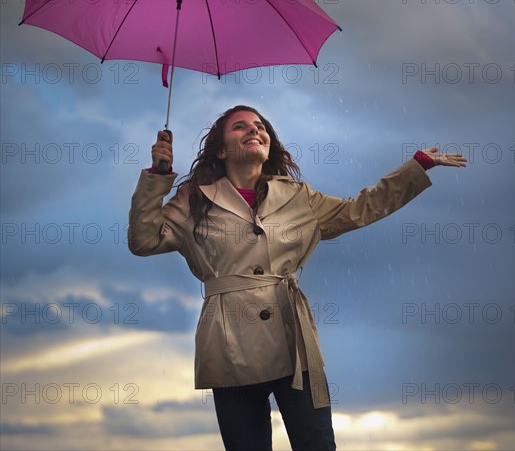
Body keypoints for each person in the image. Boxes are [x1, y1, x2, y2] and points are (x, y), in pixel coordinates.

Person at [128, 105, 467, 451]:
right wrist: (158, 175)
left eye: (260, 127)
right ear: (221, 149)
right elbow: (144, 240)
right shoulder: (194, 199)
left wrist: (415, 168)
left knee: (317, 444)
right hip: (227, 342)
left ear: (269, 144)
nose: (254, 131)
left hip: (293, 341)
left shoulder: (297, 197)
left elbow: (359, 209)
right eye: (240, 127)